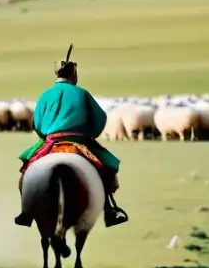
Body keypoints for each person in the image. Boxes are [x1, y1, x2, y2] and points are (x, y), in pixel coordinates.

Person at [14, 46, 129, 228]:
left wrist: (45, 135)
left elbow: (37, 123)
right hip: (79, 142)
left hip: (51, 142)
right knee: (104, 168)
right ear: (73, 73)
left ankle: (26, 212)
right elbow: (100, 119)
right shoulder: (83, 93)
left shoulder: (45, 95)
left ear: (56, 75)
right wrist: (90, 134)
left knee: (27, 171)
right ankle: (109, 210)